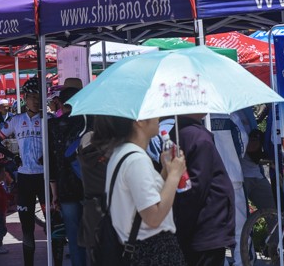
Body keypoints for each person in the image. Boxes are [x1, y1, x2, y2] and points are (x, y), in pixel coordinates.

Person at [93, 114, 186, 264]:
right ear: (140, 121)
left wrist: (165, 171)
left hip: (139, 250)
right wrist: (174, 175)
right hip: (153, 252)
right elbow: (153, 218)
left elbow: (142, 200)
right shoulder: (136, 160)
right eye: (152, 113)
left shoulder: (123, 153)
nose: (158, 117)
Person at [172, 112, 236, 266]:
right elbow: (196, 189)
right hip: (205, 229)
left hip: (200, 229)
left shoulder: (184, 133)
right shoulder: (197, 137)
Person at [0, 81, 49, 266]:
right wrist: (12, 156)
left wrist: (48, 155)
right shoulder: (16, 120)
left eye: (39, 97)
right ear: (25, 98)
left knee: (52, 225)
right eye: (32, 97)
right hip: (25, 179)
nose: (36, 101)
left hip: (45, 178)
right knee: (27, 228)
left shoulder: (49, 119)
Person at [48, 78, 87, 266]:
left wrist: (54, 194)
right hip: (90, 186)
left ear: (61, 104)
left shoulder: (53, 126)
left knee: (73, 234)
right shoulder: (89, 122)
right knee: (94, 233)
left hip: (65, 187)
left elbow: (51, 162)